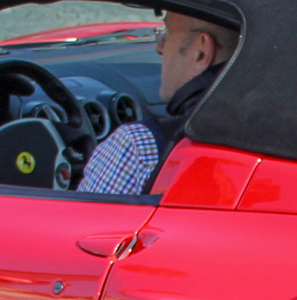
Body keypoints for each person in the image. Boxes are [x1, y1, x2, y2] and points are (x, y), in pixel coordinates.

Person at [76, 11, 237, 195]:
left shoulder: (137, 147)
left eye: (167, 33)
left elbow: (81, 222)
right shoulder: (268, 129)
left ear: (200, 53)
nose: (159, 47)